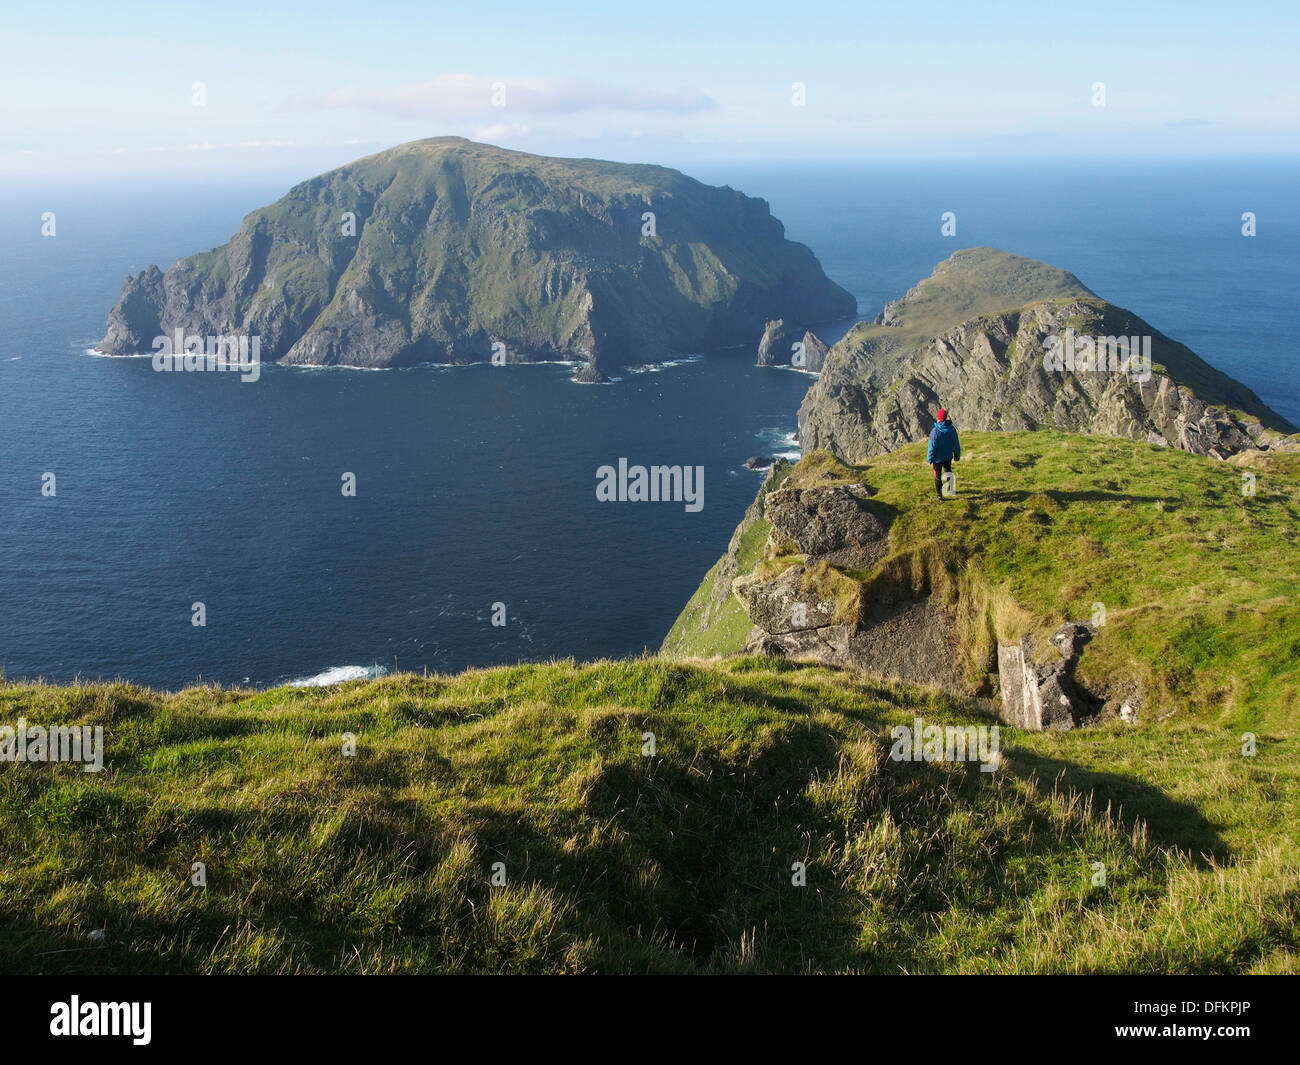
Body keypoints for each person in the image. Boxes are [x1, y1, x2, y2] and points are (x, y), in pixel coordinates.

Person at [926, 408, 960, 500]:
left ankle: (939, 495)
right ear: (946, 417)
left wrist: (929, 459)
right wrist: (957, 456)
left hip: (937, 459)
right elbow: (956, 444)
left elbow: (932, 447)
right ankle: (951, 490)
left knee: (937, 475)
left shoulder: (935, 431)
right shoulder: (952, 430)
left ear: (938, 417)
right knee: (948, 471)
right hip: (948, 457)